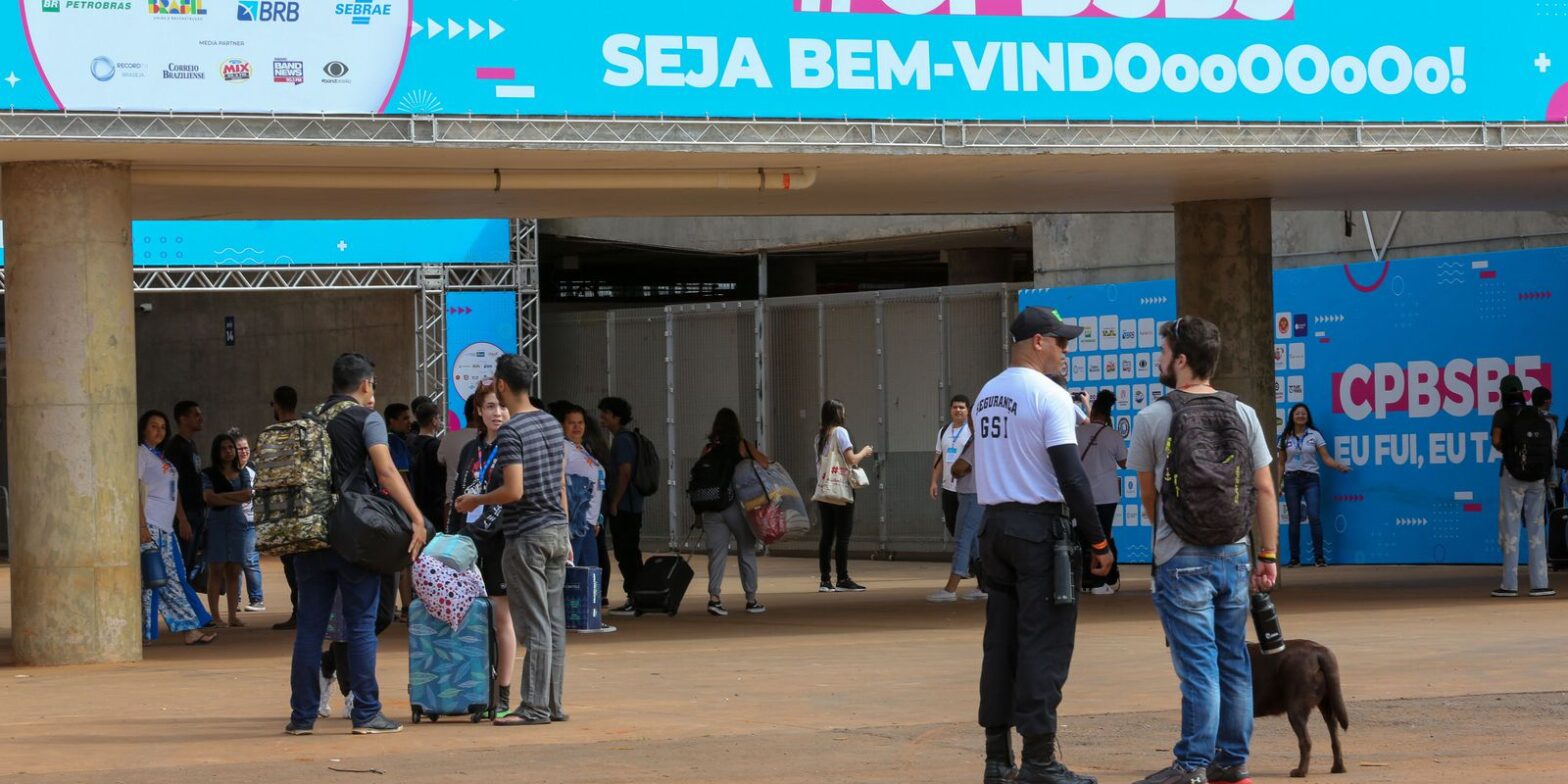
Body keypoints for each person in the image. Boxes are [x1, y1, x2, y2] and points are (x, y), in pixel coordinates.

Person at [1127, 315, 1279, 784]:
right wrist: (1267, 557)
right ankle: (1232, 762)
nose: (1159, 359)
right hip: (1235, 553)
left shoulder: (1153, 416)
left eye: (1164, 351)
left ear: (1182, 360)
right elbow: (1265, 490)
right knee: (1232, 659)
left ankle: (1191, 764)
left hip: (1181, 557)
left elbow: (1149, 494)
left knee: (1198, 666)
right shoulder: (1244, 413)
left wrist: (1171, 536)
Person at [972, 307, 1111, 784]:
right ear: (1037, 342)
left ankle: (996, 758)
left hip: (994, 528)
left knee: (1001, 644)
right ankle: (1037, 761)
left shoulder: (987, 394)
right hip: (1039, 532)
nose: (1066, 352)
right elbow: (1070, 475)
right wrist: (1097, 539)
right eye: (1061, 342)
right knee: (1043, 644)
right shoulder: (1048, 395)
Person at [285, 352, 427, 736]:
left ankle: (301, 717)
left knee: (311, 628)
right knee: (361, 624)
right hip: (353, 534)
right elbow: (385, 469)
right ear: (365, 385)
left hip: (309, 534)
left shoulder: (308, 420)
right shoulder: (367, 418)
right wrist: (415, 516)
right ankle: (366, 713)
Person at [457, 355, 570, 726]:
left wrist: (477, 499)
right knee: (553, 623)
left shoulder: (511, 431)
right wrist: (566, 531)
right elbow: (560, 483)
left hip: (526, 537)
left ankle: (534, 707)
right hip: (555, 530)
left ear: (502, 386)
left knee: (534, 625)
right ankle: (552, 704)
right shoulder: (551, 423)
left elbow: (514, 490)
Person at [447, 381, 519, 715]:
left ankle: (502, 695)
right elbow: (459, 497)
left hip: (499, 544)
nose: (497, 413)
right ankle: (474, 689)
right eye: (490, 406)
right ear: (478, 410)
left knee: (500, 618)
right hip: (466, 546)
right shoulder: (469, 450)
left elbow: (509, 498)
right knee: (470, 621)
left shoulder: (513, 447)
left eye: (502, 406)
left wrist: (478, 532)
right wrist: (453, 538)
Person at [138, 410, 216, 645]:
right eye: (153, 426)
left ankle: (188, 627)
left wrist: (181, 518)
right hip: (150, 524)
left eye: (162, 427)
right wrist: (141, 526)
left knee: (173, 578)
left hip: (166, 527)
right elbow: (134, 489)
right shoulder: (140, 454)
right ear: (143, 429)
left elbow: (175, 493)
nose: (159, 431)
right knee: (153, 580)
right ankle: (148, 632)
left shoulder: (161, 457)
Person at [698, 408, 771, 616]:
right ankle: (751, 599)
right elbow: (764, 463)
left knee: (716, 553)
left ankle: (714, 597)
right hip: (737, 506)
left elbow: (699, 480)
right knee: (746, 549)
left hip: (712, 507)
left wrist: (698, 514)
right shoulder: (743, 445)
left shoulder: (708, 449)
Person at [1490, 375, 1555, 598]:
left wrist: (1508, 451)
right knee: (1537, 529)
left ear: (1503, 393)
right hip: (1537, 477)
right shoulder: (1534, 414)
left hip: (1513, 476)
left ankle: (1510, 584)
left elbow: (1497, 440)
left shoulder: (1502, 414)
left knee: (1511, 526)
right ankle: (1540, 583)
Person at [1274, 403, 1352, 568]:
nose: (1301, 416)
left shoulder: (1314, 435)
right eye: (1297, 413)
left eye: (1304, 414)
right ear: (1292, 417)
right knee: (1293, 520)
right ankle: (1295, 559)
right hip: (1291, 480)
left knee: (1314, 517)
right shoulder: (1284, 437)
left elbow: (1326, 458)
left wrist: (1339, 466)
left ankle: (1319, 558)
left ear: (1308, 417)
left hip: (1311, 480)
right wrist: (1277, 483)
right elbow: (1281, 463)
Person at [815, 399, 875, 593]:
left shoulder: (819, 436)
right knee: (842, 536)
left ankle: (825, 580)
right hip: (840, 491)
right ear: (837, 414)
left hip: (824, 491)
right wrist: (865, 452)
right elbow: (851, 459)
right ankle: (842, 578)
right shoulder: (841, 432)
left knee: (826, 535)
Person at [1075, 390, 1127, 595]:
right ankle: (1099, 582)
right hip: (1106, 495)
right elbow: (1124, 463)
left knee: (1082, 537)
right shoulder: (1113, 435)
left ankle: (1081, 579)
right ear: (1109, 415)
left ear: (1093, 411)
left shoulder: (1077, 432)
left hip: (1081, 495)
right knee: (1102, 536)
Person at [598, 396, 646, 616]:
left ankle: (635, 597)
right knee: (630, 552)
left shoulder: (622, 441)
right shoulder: (628, 438)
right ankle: (638, 596)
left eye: (606, 413)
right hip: (632, 505)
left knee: (626, 553)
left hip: (626, 506)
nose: (602, 417)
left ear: (616, 416)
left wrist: (615, 502)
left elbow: (624, 472)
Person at [201, 433, 253, 628]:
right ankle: (215, 616)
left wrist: (222, 496)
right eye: (224, 448)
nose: (228, 451)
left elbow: (247, 495)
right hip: (217, 522)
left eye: (231, 448)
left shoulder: (244, 472)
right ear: (217, 451)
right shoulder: (209, 473)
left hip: (237, 523)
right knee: (216, 568)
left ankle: (233, 615)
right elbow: (209, 498)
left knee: (234, 569)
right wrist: (235, 497)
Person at [268, 386, 303, 631]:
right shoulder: (307, 431)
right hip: (308, 508)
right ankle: (306, 610)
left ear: (276, 405)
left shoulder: (273, 435)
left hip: (284, 511)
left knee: (292, 566)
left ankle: (298, 611)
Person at [559, 404, 606, 572]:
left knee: (589, 574)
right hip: (575, 522)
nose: (577, 427)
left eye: (580, 422)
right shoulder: (563, 447)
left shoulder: (583, 448)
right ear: (563, 425)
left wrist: (596, 517)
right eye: (572, 423)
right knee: (575, 574)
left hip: (589, 523)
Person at [165, 400, 206, 574]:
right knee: (181, 563)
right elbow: (173, 485)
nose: (201, 418)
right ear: (183, 419)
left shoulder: (191, 445)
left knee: (190, 564)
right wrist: (182, 519)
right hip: (185, 514)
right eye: (196, 415)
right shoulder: (176, 447)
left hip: (196, 513)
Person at [930, 395, 973, 539]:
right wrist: (934, 482)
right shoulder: (943, 431)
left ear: (968, 410)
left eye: (962, 407)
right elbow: (939, 458)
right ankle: (964, 554)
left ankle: (969, 558)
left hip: (966, 489)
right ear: (950, 410)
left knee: (967, 525)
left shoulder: (972, 431)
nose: (958, 410)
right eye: (955, 407)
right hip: (948, 488)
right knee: (951, 523)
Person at [233, 433, 265, 612]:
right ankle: (235, 600)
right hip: (234, 523)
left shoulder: (254, 471)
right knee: (235, 562)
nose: (244, 451)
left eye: (246, 448)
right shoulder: (229, 472)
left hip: (252, 522)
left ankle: (257, 599)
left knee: (249, 560)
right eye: (240, 448)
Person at [1536, 387, 1561, 509]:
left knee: (1535, 513)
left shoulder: (1526, 419)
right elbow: (1554, 447)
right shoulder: (1550, 421)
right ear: (1546, 401)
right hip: (1549, 468)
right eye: (1550, 399)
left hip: (1532, 472)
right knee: (1554, 510)